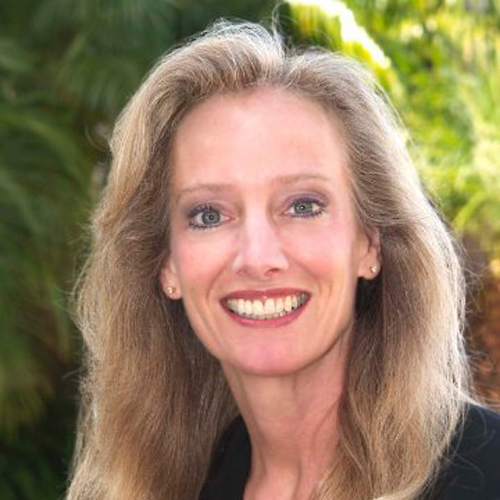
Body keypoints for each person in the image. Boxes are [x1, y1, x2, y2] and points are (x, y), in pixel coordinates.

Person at [66, 20, 500, 500]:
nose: (258, 257)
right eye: (209, 215)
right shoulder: (173, 485)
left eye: (303, 206)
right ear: (167, 264)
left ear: (369, 243)